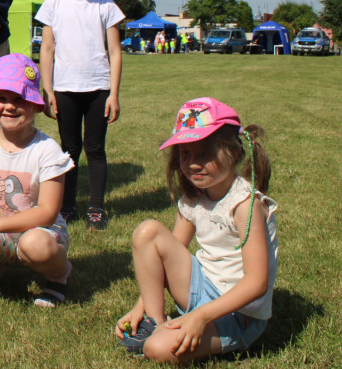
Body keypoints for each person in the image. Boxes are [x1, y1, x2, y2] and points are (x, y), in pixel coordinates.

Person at [115, 97, 278, 362]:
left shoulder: (245, 205)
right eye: (185, 153)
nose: (193, 164)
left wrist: (199, 316)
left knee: (157, 350)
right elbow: (168, 254)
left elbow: (256, 283)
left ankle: (168, 335)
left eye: (204, 153)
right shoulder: (194, 197)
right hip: (202, 287)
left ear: (233, 152)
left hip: (239, 313)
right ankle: (153, 322)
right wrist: (140, 306)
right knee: (148, 232)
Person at [0, 54, 74, 306]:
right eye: (2, 98)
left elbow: (48, 212)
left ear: (35, 105)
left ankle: (58, 275)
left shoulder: (47, 150)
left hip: (40, 232)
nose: (10, 106)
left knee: (35, 244)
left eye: (19, 99)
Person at [37, 0, 124, 230]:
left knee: (95, 149)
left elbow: (114, 51)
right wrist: (47, 90)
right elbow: (47, 50)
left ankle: (96, 209)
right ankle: (67, 207)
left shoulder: (107, 6)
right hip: (65, 89)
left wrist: (114, 93)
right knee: (69, 150)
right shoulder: (53, 4)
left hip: (98, 88)